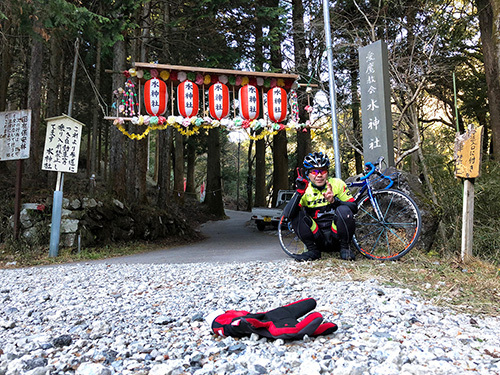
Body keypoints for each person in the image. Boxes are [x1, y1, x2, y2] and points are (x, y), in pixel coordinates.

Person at [283, 151, 357, 261]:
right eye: (314, 171)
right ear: (308, 174)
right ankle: (313, 251)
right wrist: (299, 193)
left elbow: (353, 208)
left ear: (327, 172)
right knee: (296, 213)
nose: (319, 175)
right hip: (317, 237)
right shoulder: (305, 189)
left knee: (344, 210)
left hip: (336, 235)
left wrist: (335, 201)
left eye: (323, 171)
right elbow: (287, 215)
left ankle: (345, 249)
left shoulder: (337, 184)